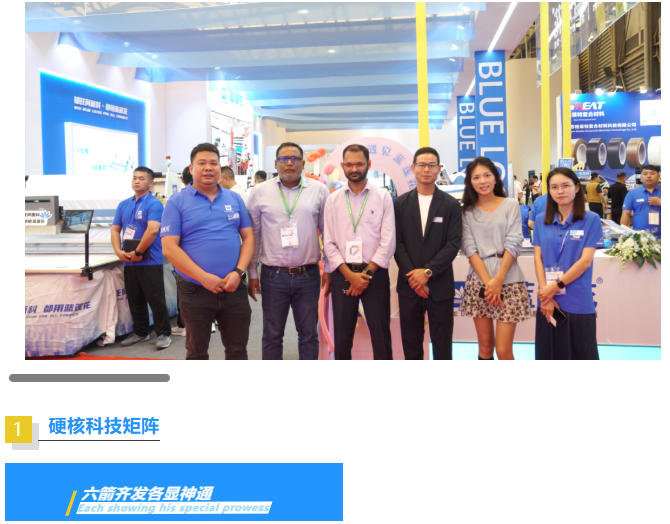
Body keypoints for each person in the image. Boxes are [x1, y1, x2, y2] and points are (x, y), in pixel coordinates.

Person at [161, 143, 254, 360]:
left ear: (220, 168)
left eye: (213, 163)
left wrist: (239, 272)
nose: (208, 168)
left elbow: (249, 237)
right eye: (201, 163)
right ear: (191, 168)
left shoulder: (234, 198)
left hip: (233, 286)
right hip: (194, 289)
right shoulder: (176, 202)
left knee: (238, 350)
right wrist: (203, 278)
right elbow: (169, 248)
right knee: (197, 352)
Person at [246, 143, 329, 360]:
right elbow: (254, 235)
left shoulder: (319, 190)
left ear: (303, 163)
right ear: (276, 164)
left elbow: (327, 232)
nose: (289, 163)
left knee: (308, 335)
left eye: (294, 158)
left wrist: (329, 267)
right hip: (273, 275)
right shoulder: (259, 192)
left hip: (308, 275)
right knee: (272, 336)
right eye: (284, 159)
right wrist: (252, 272)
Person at [323, 144, 396, 360]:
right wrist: (350, 276)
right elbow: (329, 243)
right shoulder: (333, 200)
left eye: (359, 164)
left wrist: (366, 275)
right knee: (342, 337)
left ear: (369, 164)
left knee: (381, 335)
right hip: (343, 274)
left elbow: (388, 241)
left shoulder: (382, 197)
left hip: (374, 275)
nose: (354, 169)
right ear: (343, 165)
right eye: (350, 164)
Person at [458, 157, 531, 360]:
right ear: (470, 181)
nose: (482, 181)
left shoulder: (510, 205)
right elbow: (469, 248)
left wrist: (497, 280)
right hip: (478, 282)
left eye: (487, 175)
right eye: (476, 177)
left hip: (509, 280)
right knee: (484, 349)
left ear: (495, 178)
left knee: (503, 350)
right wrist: (488, 283)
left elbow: (514, 242)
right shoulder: (466, 211)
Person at [394, 147, 462, 359]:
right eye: (422, 165)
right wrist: (414, 277)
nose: (426, 170)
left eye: (431, 165)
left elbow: (453, 243)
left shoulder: (451, 204)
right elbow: (397, 243)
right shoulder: (399, 204)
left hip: (440, 286)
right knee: (411, 344)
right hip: (409, 286)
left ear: (439, 169)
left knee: (442, 346)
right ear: (413, 168)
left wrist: (427, 272)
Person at [533, 167, 603, 360]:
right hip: (547, 301)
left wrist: (553, 287)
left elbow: (585, 261)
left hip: (577, 300)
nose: (560, 191)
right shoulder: (540, 220)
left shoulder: (591, 220)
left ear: (577, 187)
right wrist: (546, 295)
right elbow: (538, 258)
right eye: (554, 187)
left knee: (581, 355)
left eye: (565, 186)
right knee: (548, 355)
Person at [111, 166, 172, 349]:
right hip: (129, 260)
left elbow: (153, 230)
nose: (137, 181)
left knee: (156, 298)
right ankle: (141, 332)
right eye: (134, 178)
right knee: (134, 298)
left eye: (142, 178)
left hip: (150, 259)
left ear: (151, 182)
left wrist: (138, 252)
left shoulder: (154, 204)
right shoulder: (123, 204)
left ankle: (164, 334)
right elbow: (115, 230)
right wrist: (118, 251)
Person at [621, 164, 661, 238]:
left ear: (659, 176)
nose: (648, 176)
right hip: (639, 238)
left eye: (652, 173)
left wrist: (660, 202)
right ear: (641, 177)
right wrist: (623, 234)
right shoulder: (632, 193)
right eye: (645, 174)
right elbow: (626, 213)